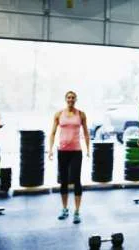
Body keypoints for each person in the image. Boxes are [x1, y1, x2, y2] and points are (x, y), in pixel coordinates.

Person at [48, 91, 90, 224]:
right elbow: (53, 133)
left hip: (76, 152)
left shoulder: (81, 114)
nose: (71, 99)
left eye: (73, 97)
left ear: (76, 99)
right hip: (62, 151)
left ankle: (77, 211)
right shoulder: (59, 114)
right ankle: (64, 209)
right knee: (64, 181)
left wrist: (88, 149)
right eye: (68, 97)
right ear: (65, 99)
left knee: (76, 180)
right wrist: (50, 149)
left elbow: (86, 133)